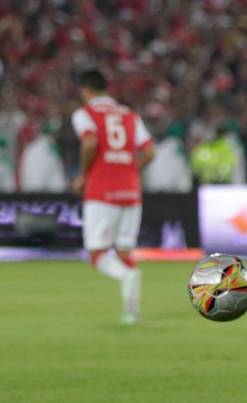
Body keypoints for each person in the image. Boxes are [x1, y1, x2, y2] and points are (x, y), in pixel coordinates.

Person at [71, 69, 155, 324]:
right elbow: (150, 152)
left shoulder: (85, 114)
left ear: (86, 91)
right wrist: (130, 170)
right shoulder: (130, 115)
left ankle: (126, 278)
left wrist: (83, 175)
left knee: (97, 254)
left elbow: (89, 143)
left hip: (101, 191)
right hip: (131, 192)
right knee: (124, 255)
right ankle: (131, 312)